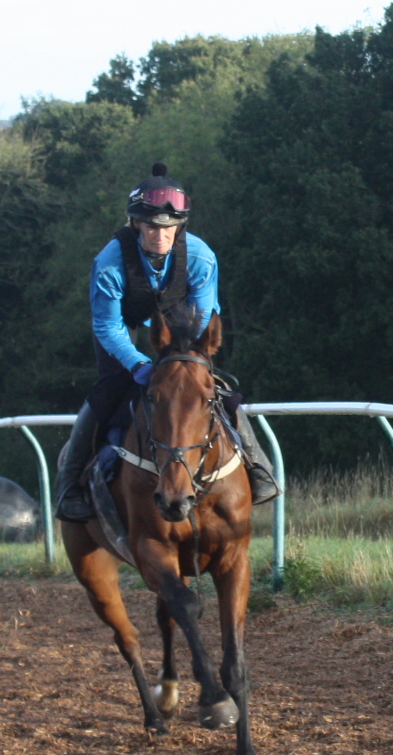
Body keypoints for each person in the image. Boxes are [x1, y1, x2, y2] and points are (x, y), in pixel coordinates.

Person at [52, 164, 280, 523]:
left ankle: (259, 467)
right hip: (123, 324)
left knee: (209, 387)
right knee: (109, 389)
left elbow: (205, 315)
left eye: (170, 227)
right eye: (153, 227)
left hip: (180, 322)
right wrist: (140, 364)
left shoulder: (201, 257)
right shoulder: (109, 263)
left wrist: (185, 361)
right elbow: (108, 326)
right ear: (136, 224)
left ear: (180, 226)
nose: (162, 235)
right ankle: (69, 486)